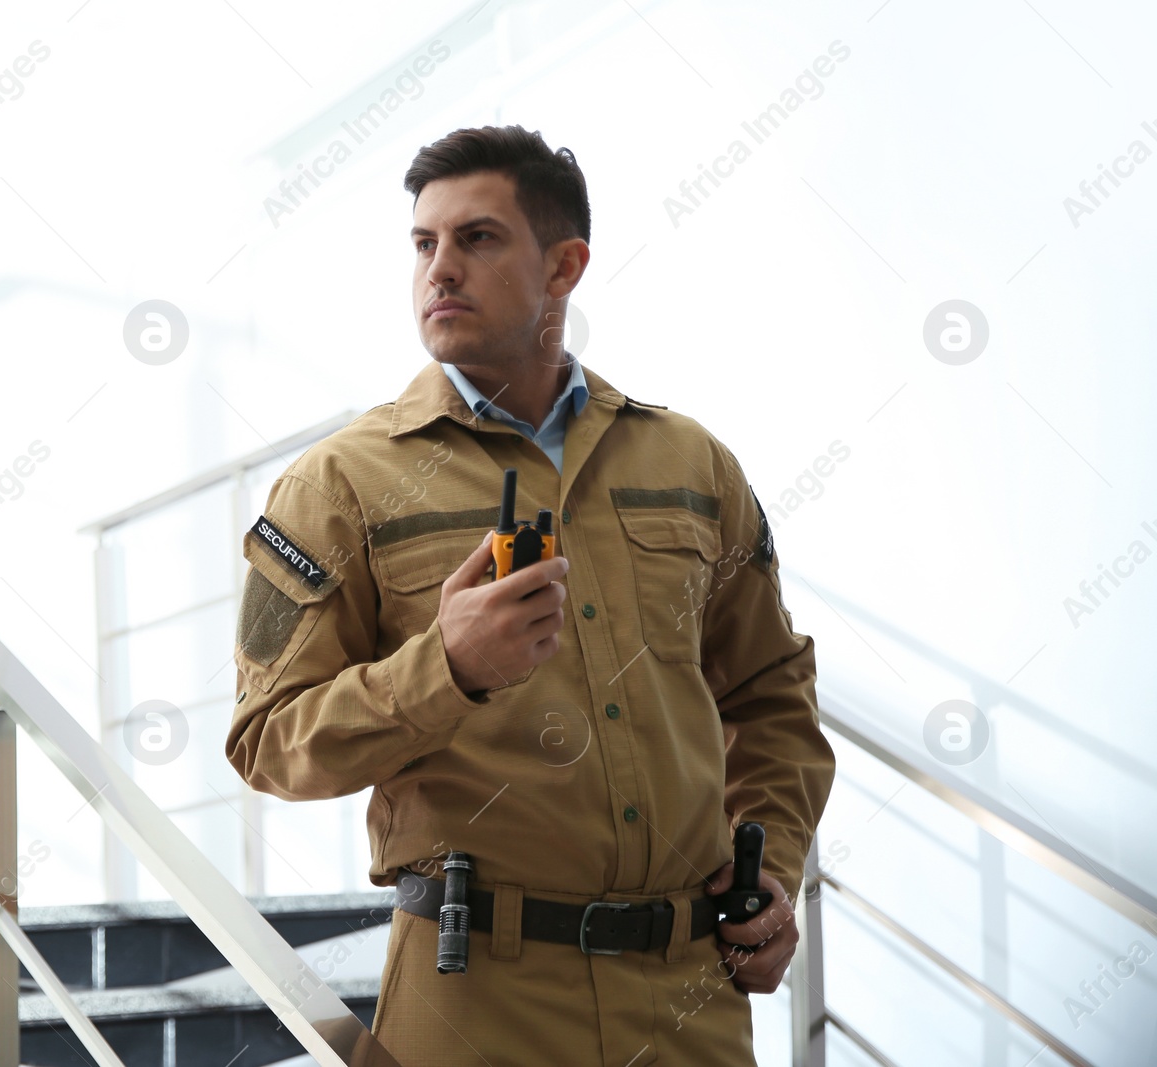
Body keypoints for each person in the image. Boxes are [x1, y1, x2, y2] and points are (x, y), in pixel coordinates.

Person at [226, 124, 835, 1066]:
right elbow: (268, 740)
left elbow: (770, 696)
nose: (439, 270)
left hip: (688, 1001)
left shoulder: (692, 464)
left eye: (477, 238)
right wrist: (446, 668)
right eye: (424, 244)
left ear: (564, 266)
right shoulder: (336, 484)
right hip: (476, 1000)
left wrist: (769, 867)